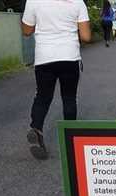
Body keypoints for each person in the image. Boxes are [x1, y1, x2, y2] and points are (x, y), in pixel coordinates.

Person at [22, 0, 91, 159]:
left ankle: (36, 128)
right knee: (69, 98)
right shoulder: (78, 2)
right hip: (69, 56)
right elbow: (86, 36)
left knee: (42, 97)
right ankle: (70, 141)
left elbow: (26, 31)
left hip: (44, 57)